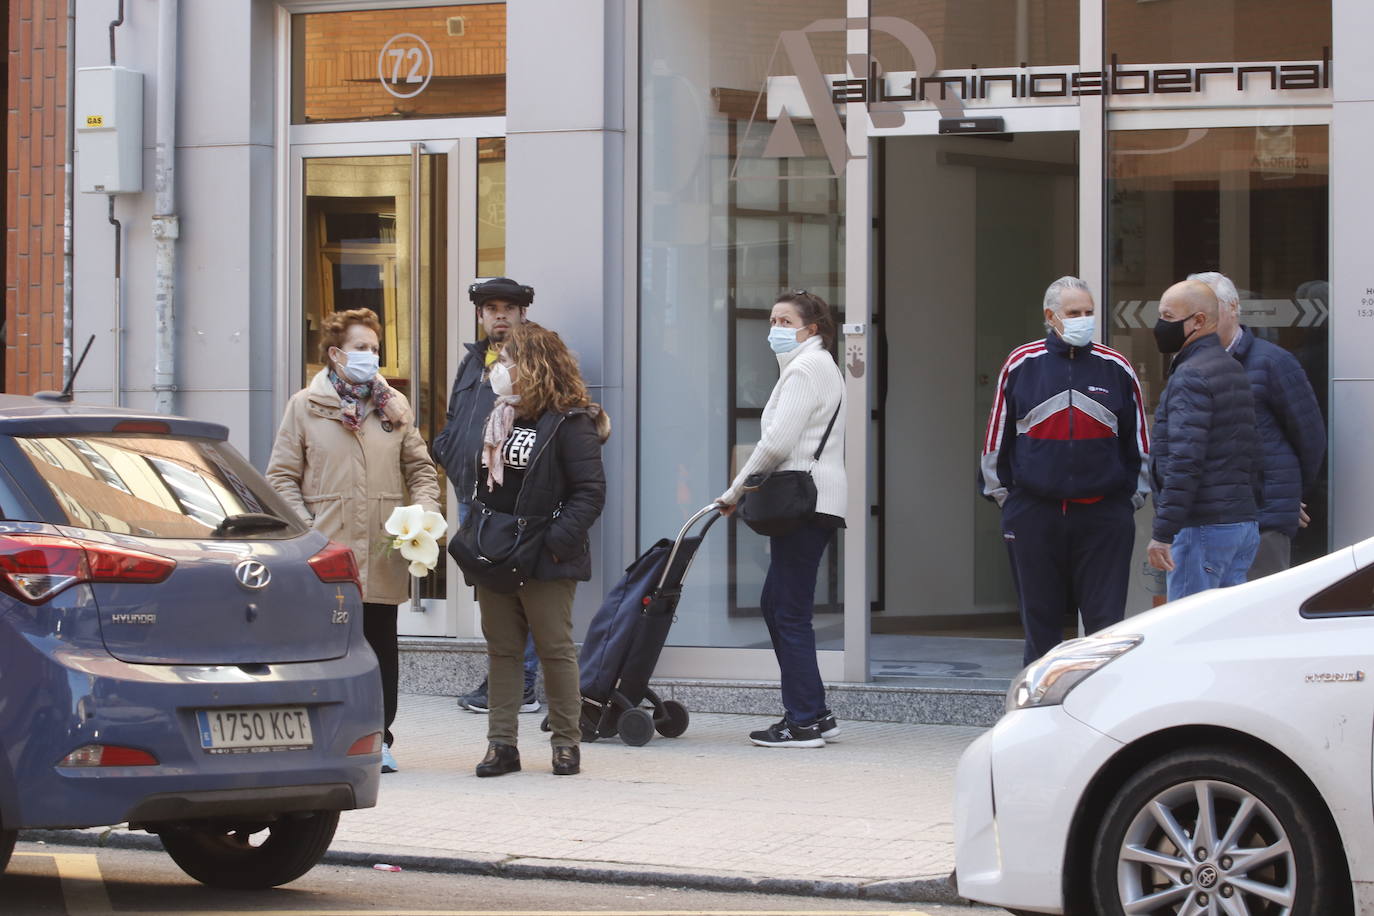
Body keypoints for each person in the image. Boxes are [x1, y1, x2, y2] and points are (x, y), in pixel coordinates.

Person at [267, 308, 441, 775]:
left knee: (380, 648)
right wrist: (309, 531)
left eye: (375, 349)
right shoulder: (305, 406)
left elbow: (422, 471)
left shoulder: (393, 408)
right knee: (325, 650)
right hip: (326, 554)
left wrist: (424, 515)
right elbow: (281, 477)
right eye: (361, 348)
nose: (371, 357)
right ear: (335, 353)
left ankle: (378, 739)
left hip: (382, 551)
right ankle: (322, 739)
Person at [980, 277, 1150, 666]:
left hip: (1103, 513)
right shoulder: (1021, 363)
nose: (1083, 320)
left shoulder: (1116, 366)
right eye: (1074, 313)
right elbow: (996, 440)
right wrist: (1010, 500)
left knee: (1105, 626)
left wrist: (1128, 500)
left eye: (1088, 312)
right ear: (1050, 316)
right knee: (1040, 624)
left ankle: (1103, 714)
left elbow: (1138, 442)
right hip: (1034, 513)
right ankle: (1040, 717)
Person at [465, 322, 608, 777]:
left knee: (554, 649)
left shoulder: (572, 420)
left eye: (507, 360)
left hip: (546, 556)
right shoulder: (499, 414)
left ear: (533, 364)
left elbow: (590, 492)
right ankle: (501, 745)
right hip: (497, 550)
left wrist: (554, 542)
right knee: (502, 650)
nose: (499, 369)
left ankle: (567, 743)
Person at [716, 291, 845, 749]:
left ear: (812, 329)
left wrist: (734, 491)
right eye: (772, 319)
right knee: (778, 605)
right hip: (813, 500)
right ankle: (816, 711)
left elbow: (775, 443)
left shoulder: (806, 368)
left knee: (788, 611)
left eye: (785, 320)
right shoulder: (814, 366)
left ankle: (804, 720)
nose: (775, 327)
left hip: (804, 500)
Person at [432, 277, 542, 715]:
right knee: (492, 592)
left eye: (508, 308)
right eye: (491, 308)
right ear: (480, 315)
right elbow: (455, 416)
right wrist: (446, 448)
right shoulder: (473, 361)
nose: (500, 314)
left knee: (521, 590)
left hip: (512, 496)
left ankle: (524, 684)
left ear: (522, 314)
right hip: (471, 492)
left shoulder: (537, 358)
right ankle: (507, 676)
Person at [1189, 271, 1326, 578]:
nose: (1200, 321)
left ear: (1233, 308)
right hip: (1202, 519)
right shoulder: (1187, 365)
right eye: (1193, 314)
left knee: (1259, 619)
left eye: (1209, 311)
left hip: (1261, 521)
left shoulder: (1274, 363)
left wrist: (1288, 496)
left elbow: (1310, 438)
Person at [1147, 280, 1261, 600]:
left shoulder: (1192, 374)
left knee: (1188, 631)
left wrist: (1162, 532)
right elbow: (1250, 449)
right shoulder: (1231, 367)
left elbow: (1185, 459)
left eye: (1168, 316)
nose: (1160, 325)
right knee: (1226, 633)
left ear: (1198, 321)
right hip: (1239, 522)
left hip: (1203, 526)